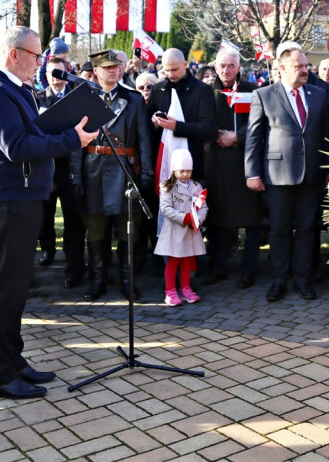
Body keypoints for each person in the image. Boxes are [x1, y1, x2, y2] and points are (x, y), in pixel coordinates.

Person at [0, 26, 98, 399]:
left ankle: (14, 361)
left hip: (22, 198)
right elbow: (18, 146)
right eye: (35, 55)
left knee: (17, 287)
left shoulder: (16, 88)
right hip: (8, 200)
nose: (40, 62)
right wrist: (72, 138)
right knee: (7, 291)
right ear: (14, 54)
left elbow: (34, 133)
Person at [245, 43, 328, 303]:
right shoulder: (264, 95)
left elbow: (325, 135)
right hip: (277, 174)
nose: (305, 70)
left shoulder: (319, 94)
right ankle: (279, 280)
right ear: (281, 68)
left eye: (306, 66)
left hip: (311, 174)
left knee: (306, 229)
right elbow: (254, 137)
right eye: (299, 66)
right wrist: (252, 173)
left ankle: (303, 279)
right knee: (279, 229)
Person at [76, 50, 154, 301]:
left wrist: (147, 175)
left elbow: (145, 141)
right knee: (95, 230)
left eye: (116, 66)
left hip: (125, 173)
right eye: (106, 67)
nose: (113, 70)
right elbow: (73, 143)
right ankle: (97, 280)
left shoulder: (133, 100)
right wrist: (74, 177)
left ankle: (127, 280)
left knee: (128, 230)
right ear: (95, 71)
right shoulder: (83, 99)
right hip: (93, 171)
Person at [205, 48, 263, 288]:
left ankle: (249, 270)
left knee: (251, 219)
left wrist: (237, 137)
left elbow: (261, 123)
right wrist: (217, 135)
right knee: (217, 218)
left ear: (239, 67)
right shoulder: (208, 92)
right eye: (221, 66)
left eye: (231, 66)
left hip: (246, 163)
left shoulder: (253, 91)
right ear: (215, 67)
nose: (226, 70)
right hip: (217, 164)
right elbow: (202, 122)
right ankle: (218, 267)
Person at [35, 58, 87, 285]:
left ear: (67, 74)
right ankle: (47, 248)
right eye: (51, 73)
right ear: (45, 75)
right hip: (46, 165)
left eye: (60, 72)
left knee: (73, 218)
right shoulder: (37, 98)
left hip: (71, 166)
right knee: (45, 213)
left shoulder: (77, 99)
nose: (56, 77)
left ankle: (73, 267)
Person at [146, 48, 218, 187]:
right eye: (166, 70)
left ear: (185, 64)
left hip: (193, 166)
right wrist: (155, 123)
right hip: (164, 165)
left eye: (174, 69)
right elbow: (147, 128)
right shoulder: (157, 90)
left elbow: (210, 129)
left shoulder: (202, 90)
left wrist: (177, 127)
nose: (170, 74)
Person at [157, 149, 208, 306]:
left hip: (190, 231)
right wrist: (184, 218)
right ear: (174, 170)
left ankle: (186, 288)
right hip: (175, 231)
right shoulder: (167, 187)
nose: (185, 174)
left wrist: (197, 220)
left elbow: (203, 206)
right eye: (182, 170)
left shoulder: (196, 187)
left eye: (188, 170)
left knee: (187, 260)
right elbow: (166, 209)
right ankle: (170, 290)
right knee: (173, 261)